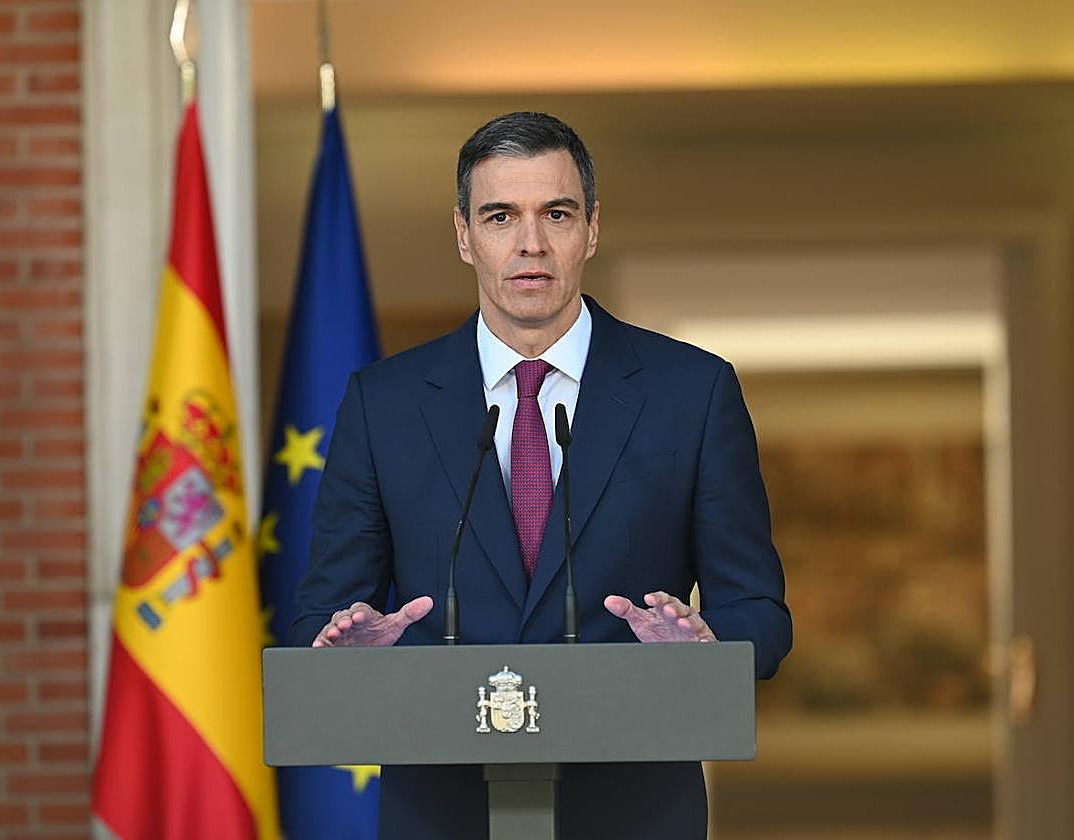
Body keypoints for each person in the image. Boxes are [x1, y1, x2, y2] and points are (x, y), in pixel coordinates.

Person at [287, 111, 792, 839]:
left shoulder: (693, 392)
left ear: (591, 228)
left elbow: (761, 614)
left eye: (555, 213)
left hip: (635, 810)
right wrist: (348, 648)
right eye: (501, 216)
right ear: (464, 235)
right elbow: (323, 614)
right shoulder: (384, 405)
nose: (531, 243)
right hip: (442, 813)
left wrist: (708, 644)